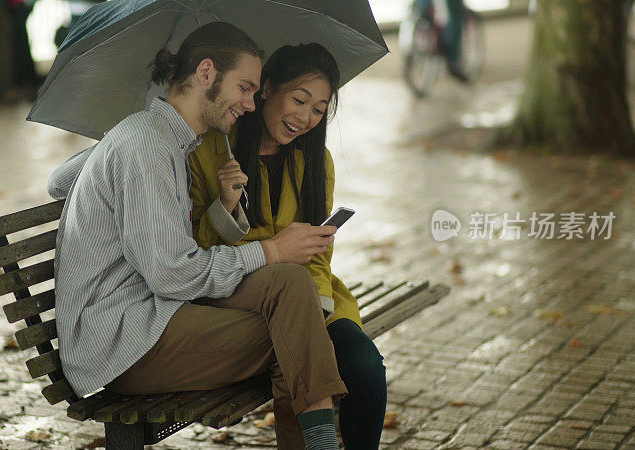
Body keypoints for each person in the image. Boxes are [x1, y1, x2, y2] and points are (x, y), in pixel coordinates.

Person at [49, 42, 387, 449]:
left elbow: (58, 182)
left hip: (157, 312)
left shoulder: (166, 137)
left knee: (294, 292)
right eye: (245, 88)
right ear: (206, 73)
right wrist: (266, 246)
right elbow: (172, 273)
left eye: (318, 107)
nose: (248, 102)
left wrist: (120, 140)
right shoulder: (154, 147)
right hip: (126, 336)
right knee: (297, 337)